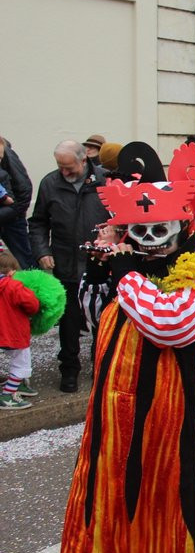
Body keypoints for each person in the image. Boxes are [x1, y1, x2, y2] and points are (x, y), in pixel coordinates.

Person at [51, 141, 195, 553]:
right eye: (140, 229)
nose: (151, 239)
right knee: (115, 491)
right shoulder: (127, 270)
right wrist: (99, 275)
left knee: (170, 494)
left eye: (160, 230)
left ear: (180, 230)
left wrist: (127, 272)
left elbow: (170, 326)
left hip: (172, 413)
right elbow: (100, 318)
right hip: (118, 409)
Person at [28, 140, 109, 392]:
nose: (64, 172)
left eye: (69, 167)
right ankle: (69, 369)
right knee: (69, 320)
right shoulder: (50, 183)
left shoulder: (106, 181)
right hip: (66, 263)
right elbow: (39, 222)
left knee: (102, 319)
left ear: (84, 159)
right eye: (60, 167)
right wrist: (42, 251)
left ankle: (101, 366)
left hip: (100, 264)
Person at [0, 248, 39, 409]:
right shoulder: (14, 286)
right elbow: (32, 304)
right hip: (14, 332)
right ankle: (8, 395)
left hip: (2, 333)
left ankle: (17, 384)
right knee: (22, 363)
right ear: (11, 271)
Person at [0, 135, 34, 269]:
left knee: (24, 259)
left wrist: (13, 212)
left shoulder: (7, 155)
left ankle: (35, 287)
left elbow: (24, 190)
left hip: (12, 216)